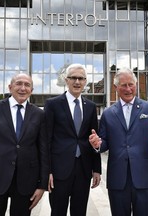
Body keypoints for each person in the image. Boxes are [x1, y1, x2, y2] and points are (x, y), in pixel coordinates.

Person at [89, 67, 148, 216]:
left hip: (144, 177)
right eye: (123, 85)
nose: (128, 89)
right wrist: (97, 145)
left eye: (131, 84)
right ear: (116, 87)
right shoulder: (108, 113)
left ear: (136, 85)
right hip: (118, 179)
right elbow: (104, 142)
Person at [0, 74, 50, 216]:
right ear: (10, 87)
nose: (23, 88)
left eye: (27, 85)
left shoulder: (39, 114)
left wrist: (42, 185)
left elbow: (43, 150)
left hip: (26, 181)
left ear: (31, 90)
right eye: (19, 83)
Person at [44, 63, 101, 216]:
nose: (77, 82)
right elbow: (46, 140)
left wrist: (97, 169)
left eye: (81, 79)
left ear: (85, 82)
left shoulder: (90, 106)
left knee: (80, 211)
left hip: (83, 170)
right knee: (58, 211)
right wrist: (47, 171)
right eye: (73, 78)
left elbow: (94, 138)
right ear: (66, 80)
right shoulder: (52, 104)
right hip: (58, 171)